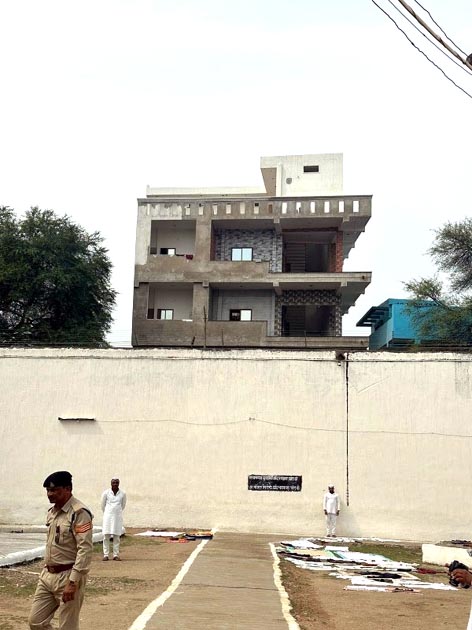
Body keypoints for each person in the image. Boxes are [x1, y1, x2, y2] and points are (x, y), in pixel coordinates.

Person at [29, 470, 93, 630]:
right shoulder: (51, 513)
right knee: (36, 622)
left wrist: (73, 582)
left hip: (68, 576)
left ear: (68, 489)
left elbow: (85, 549)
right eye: (48, 490)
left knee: (67, 626)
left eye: (54, 490)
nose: (49, 494)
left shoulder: (79, 513)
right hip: (47, 575)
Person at [101, 477, 126, 561]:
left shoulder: (123, 493)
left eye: (116, 482)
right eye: (113, 482)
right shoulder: (106, 493)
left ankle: (116, 555)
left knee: (116, 536)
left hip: (117, 517)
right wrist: (108, 512)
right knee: (106, 536)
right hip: (108, 517)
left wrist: (116, 512)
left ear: (119, 483)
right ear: (111, 483)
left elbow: (123, 505)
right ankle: (106, 555)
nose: (115, 484)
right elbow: (102, 505)